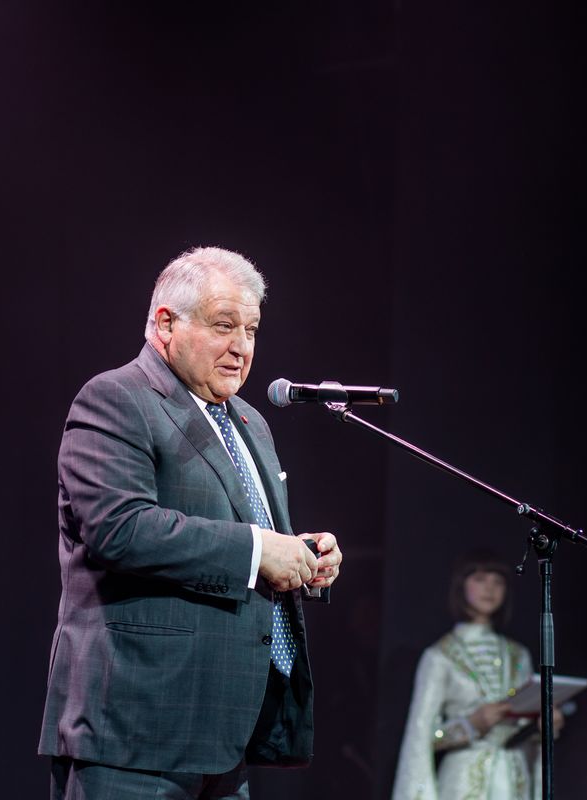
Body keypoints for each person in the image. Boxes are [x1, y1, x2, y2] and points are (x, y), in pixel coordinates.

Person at [39, 246, 344, 798]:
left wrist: (301, 557)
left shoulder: (249, 421)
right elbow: (119, 529)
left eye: (251, 330)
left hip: (226, 732)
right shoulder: (116, 397)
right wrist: (260, 551)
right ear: (166, 324)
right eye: (224, 326)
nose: (241, 347)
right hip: (135, 729)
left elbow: (243, 537)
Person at [392, 549, 564, 800]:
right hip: (463, 781)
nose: (490, 588)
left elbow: (523, 731)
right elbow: (421, 735)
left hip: (514, 779)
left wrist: (542, 728)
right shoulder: (439, 656)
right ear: (461, 585)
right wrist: (470, 725)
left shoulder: (519, 655)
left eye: (498, 581)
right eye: (480, 579)